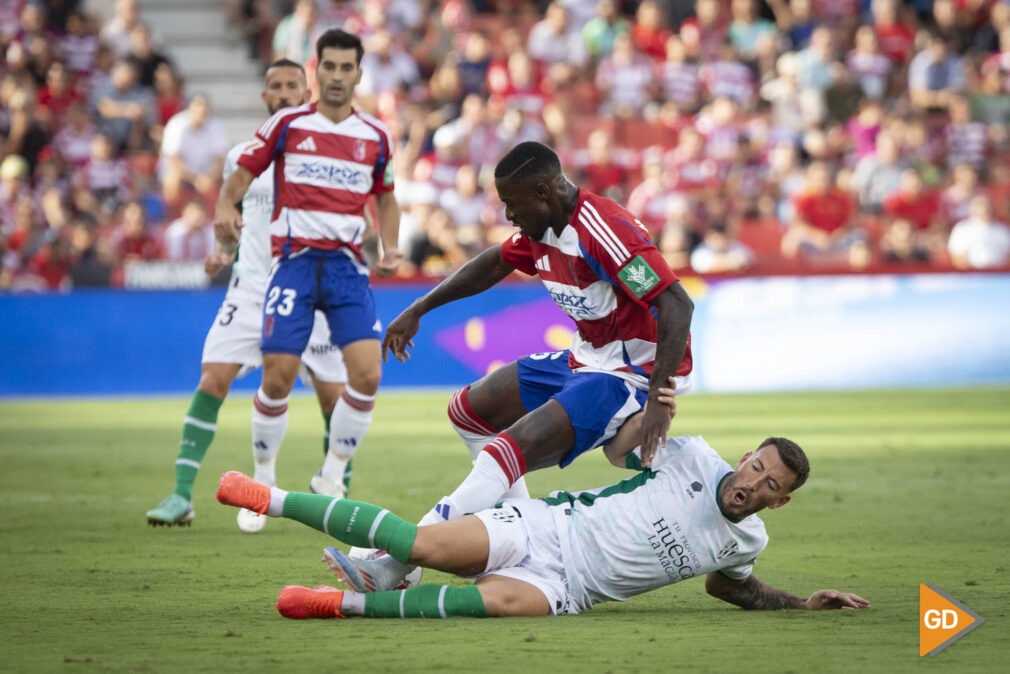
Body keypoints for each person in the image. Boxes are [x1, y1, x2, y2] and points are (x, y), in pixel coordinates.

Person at [214, 383, 870, 619]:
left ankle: (340, 605)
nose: (751, 481)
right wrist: (648, 418)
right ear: (747, 455)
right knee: (422, 546)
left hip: (569, 591)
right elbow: (619, 452)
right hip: (548, 530)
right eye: (756, 464)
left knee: (495, 605)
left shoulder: (746, 542)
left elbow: (734, 590)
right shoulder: (693, 456)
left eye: (768, 485)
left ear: (777, 503)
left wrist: (802, 603)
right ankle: (266, 495)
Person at [358, 140, 694, 591]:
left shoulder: (603, 231)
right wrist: (420, 307)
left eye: (511, 205)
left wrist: (657, 397)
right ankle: (517, 540)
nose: (508, 216)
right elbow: (495, 262)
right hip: (588, 357)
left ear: (542, 192)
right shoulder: (541, 230)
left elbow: (676, 302)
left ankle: (401, 559)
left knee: (508, 450)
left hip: (630, 374)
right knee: (471, 412)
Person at [145, 60, 350, 531]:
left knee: (332, 397)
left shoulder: (327, 155)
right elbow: (232, 219)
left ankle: (337, 495)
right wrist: (222, 251)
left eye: (291, 86)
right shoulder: (243, 155)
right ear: (264, 97)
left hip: (311, 289)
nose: (282, 93)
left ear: (306, 93)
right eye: (274, 86)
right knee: (212, 381)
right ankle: (181, 495)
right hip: (251, 289)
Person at [213, 29, 403, 501]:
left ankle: (333, 473)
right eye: (329, 67)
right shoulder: (289, 125)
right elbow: (241, 174)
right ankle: (264, 479)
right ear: (316, 70)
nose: (337, 76)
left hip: (345, 267)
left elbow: (387, 198)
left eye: (346, 68)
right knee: (276, 376)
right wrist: (224, 207)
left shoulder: (375, 136)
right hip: (295, 264)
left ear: (359, 74)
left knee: (367, 375)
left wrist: (391, 246)